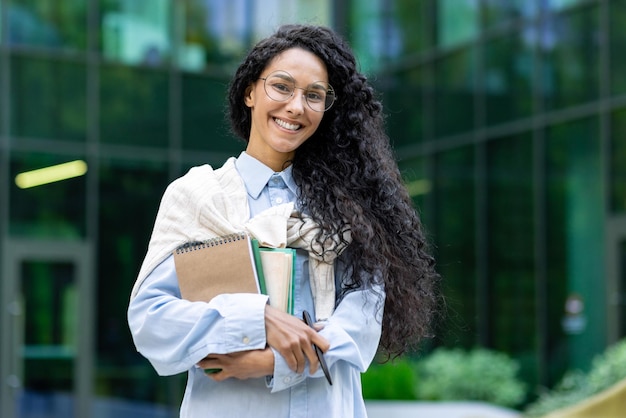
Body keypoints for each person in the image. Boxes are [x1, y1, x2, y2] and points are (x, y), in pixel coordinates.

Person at [128, 24, 440, 418]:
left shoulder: (350, 206)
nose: (296, 106)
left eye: (314, 95)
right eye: (282, 86)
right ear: (249, 92)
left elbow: (359, 326)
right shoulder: (198, 196)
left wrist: (273, 361)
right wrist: (257, 318)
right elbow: (151, 320)